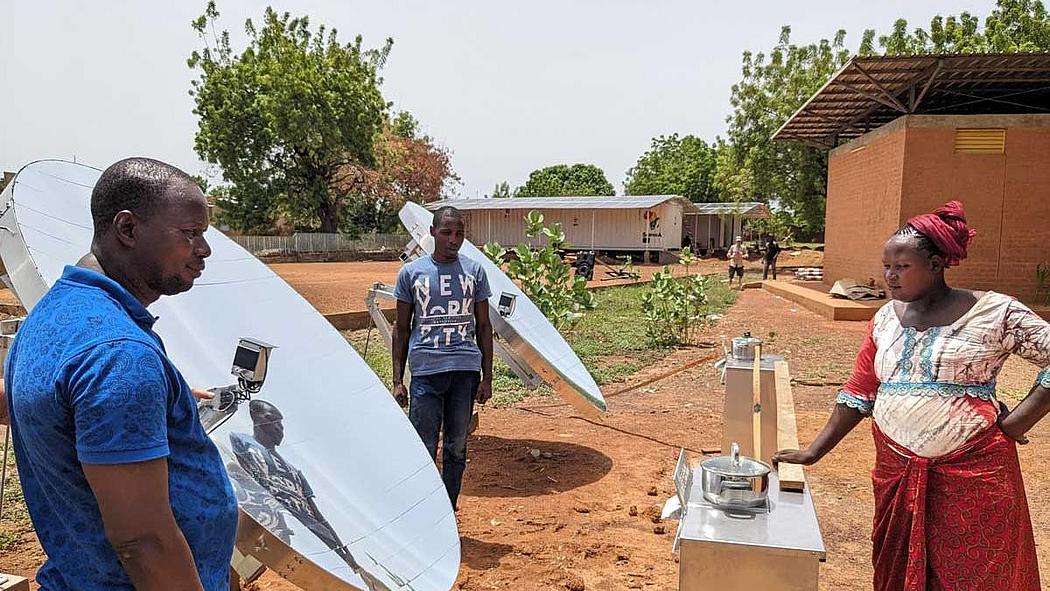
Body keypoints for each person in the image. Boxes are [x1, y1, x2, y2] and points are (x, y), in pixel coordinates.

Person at [774, 201, 1050, 591]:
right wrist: (814, 451)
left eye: (901, 267)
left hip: (973, 474)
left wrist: (1019, 420)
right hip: (896, 470)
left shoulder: (994, 313)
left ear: (936, 265)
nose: (890, 276)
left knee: (976, 574)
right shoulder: (885, 318)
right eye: (887, 266)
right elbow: (859, 391)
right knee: (897, 573)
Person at [4, 158, 238, 590]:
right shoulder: (117, 357)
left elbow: (62, 399)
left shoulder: (54, 314)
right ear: (127, 229)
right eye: (190, 234)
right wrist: (132, 383)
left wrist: (162, 396)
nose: (203, 250)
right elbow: (143, 541)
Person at [392, 205, 493, 511]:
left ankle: (447, 511)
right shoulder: (411, 273)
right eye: (447, 232)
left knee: (456, 447)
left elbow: (484, 326)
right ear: (433, 232)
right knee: (422, 448)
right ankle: (422, 512)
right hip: (426, 371)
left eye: (459, 234)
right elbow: (401, 328)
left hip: (464, 371)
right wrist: (398, 380)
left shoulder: (475, 272)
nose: (453, 239)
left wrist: (487, 377)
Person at [229, 400, 385, 589]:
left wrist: (345, 553)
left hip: (300, 525)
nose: (279, 428)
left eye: (281, 422)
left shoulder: (293, 471)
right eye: (272, 420)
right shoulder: (242, 441)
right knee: (231, 548)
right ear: (256, 419)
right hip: (262, 513)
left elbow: (315, 513)